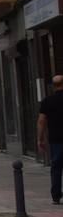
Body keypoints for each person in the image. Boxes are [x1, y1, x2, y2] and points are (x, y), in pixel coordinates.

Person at [38, 75, 63, 205]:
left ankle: (56, 195)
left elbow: (41, 121)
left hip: (56, 139)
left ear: (54, 86)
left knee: (56, 166)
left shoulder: (47, 101)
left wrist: (40, 139)